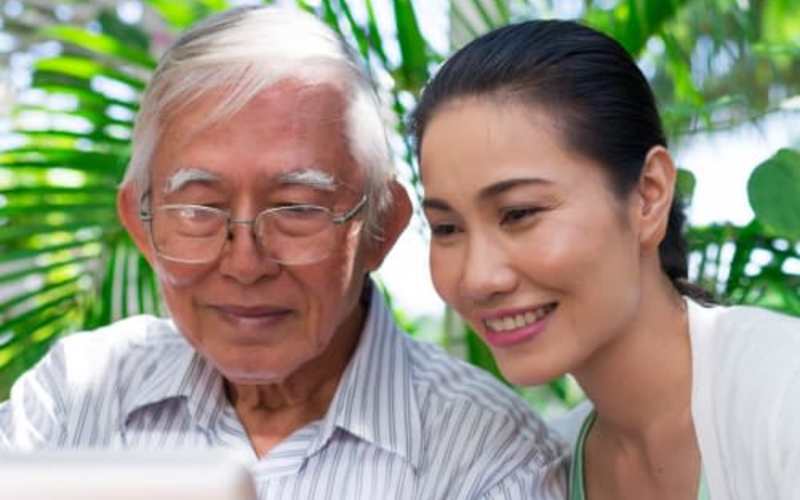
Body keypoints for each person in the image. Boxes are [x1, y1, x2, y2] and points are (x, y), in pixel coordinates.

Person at [0, 7, 568, 499]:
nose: (246, 264)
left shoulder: (490, 460)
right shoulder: (73, 399)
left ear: (381, 226)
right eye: (199, 208)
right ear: (142, 225)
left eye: (298, 208)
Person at [413, 19, 800, 500]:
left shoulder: (784, 400)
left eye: (520, 213)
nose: (478, 278)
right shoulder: (537, 469)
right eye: (447, 228)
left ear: (648, 196)